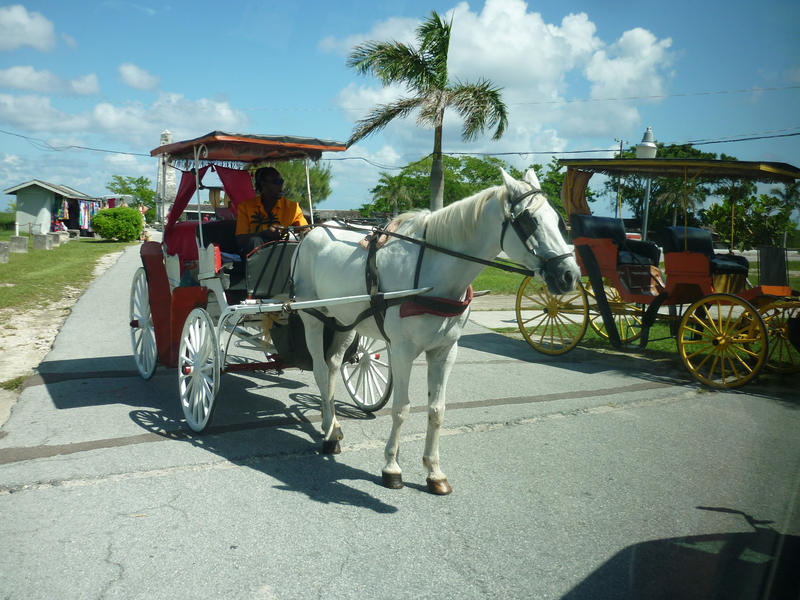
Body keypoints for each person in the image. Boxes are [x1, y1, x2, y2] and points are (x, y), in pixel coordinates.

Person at [235, 166, 309, 252]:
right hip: (255, 256)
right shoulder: (245, 207)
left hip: (283, 252)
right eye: (276, 182)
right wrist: (264, 234)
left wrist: (306, 232)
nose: (281, 185)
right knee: (255, 240)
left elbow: (305, 231)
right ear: (263, 184)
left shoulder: (293, 207)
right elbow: (240, 240)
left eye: (281, 181)